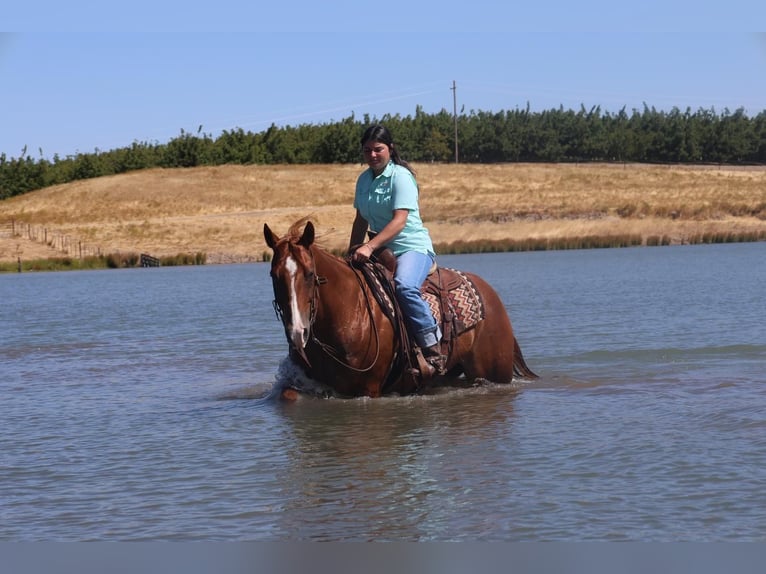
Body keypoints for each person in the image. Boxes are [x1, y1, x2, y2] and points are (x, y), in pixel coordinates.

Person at [348, 125, 446, 375]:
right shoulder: (363, 180)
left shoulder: (400, 176)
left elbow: (399, 220)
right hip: (379, 250)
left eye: (378, 149)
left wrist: (369, 247)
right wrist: (350, 252)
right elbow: (361, 219)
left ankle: (432, 349)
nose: (372, 155)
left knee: (404, 286)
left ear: (389, 149)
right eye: (367, 150)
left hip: (411, 247)